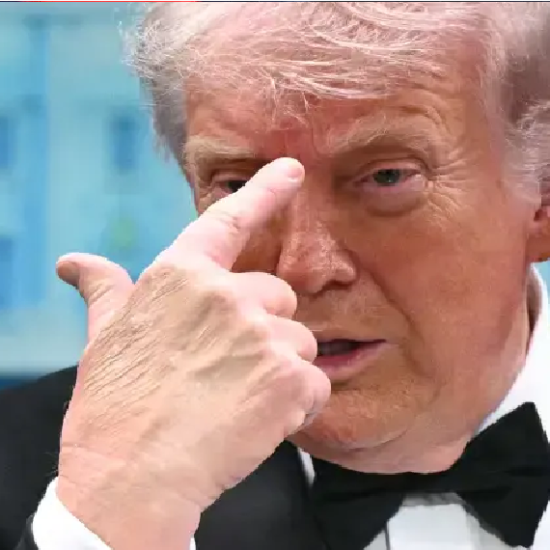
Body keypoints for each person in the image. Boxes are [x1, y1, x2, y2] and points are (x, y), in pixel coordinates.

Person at [1, 2, 550, 549]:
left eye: (386, 177)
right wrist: (114, 513)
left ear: (542, 196)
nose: (304, 268)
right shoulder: (34, 476)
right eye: (238, 186)